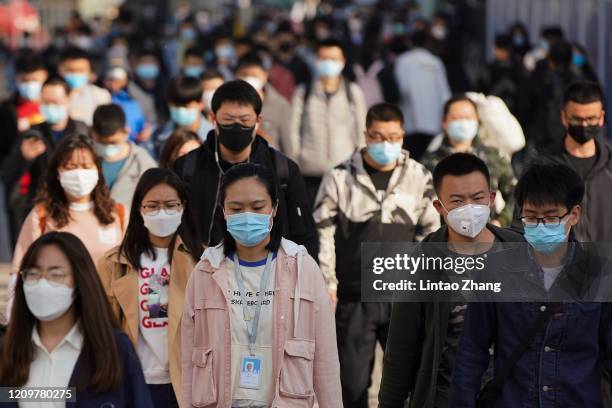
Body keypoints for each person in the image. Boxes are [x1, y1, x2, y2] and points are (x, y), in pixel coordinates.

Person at [450, 161, 612, 407]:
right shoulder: (496, 272)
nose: (540, 226)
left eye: (550, 218)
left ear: (574, 215)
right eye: (531, 218)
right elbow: (471, 352)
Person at [181, 163, 342, 407]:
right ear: (223, 210)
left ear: (274, 208)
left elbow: (326, 361)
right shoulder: (205, 271)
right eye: (236, 208)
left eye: (257, 207)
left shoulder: (302, 268)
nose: (247, 215)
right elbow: (188, 361)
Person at [315, 103, 440, 408]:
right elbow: (323, 231)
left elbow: (431, 233)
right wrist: (327, 281)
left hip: (402, 296)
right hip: (354, 295)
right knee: (352, 384)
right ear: (366, 135)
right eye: (377, 136)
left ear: (403, 136)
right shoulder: (339, 177)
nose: (386, 144)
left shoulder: (419, 177)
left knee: (409, 380)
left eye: (393, 136)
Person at [378, 153, 522, 408]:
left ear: (491, 198)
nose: (469, 208)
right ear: (439, 208)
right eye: (457, 201)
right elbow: (400, 352)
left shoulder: (520, 252)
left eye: (477, 198)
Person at [0, 232, 153, 406]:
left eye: (56, 274)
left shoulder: (114, 350)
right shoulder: (8, 352)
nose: (42, 284)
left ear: (80, 281)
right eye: (33, 274)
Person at [172, 80, 318, 258]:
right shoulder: (187, 167)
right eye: (228, 120)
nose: (236, 127)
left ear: (258, 121)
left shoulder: (283, 169)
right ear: (213, 119)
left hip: (269, 274)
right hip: (203, 272)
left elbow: (304, 232)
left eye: (244, 120)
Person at [97, 168, 201, 408]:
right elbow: (101, 325)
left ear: (183, 207)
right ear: (139, 209)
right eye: (152, 205)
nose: (161, 212)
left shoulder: (202, 260)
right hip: (134, 380)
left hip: (185, 383)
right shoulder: (114, 263)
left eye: (170, 204)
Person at [9, 133, 127, 317]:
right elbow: (20, 270)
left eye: (86, 166)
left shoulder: (118, 214)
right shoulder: (41, 216)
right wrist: (12, 316)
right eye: (70, 167)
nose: (79, 174)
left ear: (97, 170)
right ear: (58, 172)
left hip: (109, 315)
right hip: (58, 316)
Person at [1, 77, 88, 240]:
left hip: (76, 210)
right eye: (46, 102)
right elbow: (7, 174)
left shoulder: (82, 131)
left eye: (55, 102)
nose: (50, 107)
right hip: (41, 212)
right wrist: (23, 157)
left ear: (68, 100)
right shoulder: (33, 134)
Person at [288, 38, 367, 206]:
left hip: (344, 170)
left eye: (334, 59)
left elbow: (362, 131)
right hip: (309, 170)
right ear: (316, 61)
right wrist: (296, 159)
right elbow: (292, 129)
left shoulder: (352, 92)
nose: (329, 63)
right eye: (324, 58)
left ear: (343, 62)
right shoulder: (304, 92)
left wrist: (358, 163)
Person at [421, 95, 517, 226]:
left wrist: (501, 221)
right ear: (444, 122)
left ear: (477, 120)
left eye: (468, 118)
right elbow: (422, 202)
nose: (463, 123)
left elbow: (516, 193)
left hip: (487, 236)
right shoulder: (430, 160)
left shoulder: (493, 155)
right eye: (456, 118)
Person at [533, 81, 610, 242]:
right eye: (577, 119)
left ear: (601, 117)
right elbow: (524, 223)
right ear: (564, 117)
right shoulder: (543, 167)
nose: (584, 125)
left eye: (590, 119)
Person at [92, 103, 156, 209]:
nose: (108, 147)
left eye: (113, 142)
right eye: (102, 143)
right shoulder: (84, 159)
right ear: (93, 133)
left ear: (126, 131)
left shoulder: (142, 162)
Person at [394, 30, 451, 137]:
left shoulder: (403, 61)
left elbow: (402, 89)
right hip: (435, 122)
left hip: (410, 122)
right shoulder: (435, 62)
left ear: (410, 42)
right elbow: (444, 93)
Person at [235, 52, 292, 152]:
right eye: (245, 75)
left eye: (254, 75)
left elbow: (288, 144)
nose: (249, 79)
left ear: (265, 75)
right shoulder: (228, 104)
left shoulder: (279, 104)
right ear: (236, 76)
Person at [0, 51, 48, 166]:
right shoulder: (7, 109)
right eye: (25, 80)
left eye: (35, 80)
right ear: (16, 78)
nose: (30, 85)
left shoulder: (54, 104)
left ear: (45, 75)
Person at [150, 76, 213, 157]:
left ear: (201, 103)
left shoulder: (214, 136)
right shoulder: (158, 135)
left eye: (186, 106)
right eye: (176, 106)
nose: (180, 111)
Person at [58, 47, 111, 125]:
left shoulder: (101, 96)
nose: (76, 75)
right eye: (71, 70)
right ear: (60, 69)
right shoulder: (50, 94)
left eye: (80, 71)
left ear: (89, 71)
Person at [103, 66, 150, 142]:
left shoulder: (132, 101)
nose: (113, 83)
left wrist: (146, 130)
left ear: (124, 80)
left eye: (117, 79)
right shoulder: (100, 98)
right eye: (110, 79)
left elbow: (143, 123)